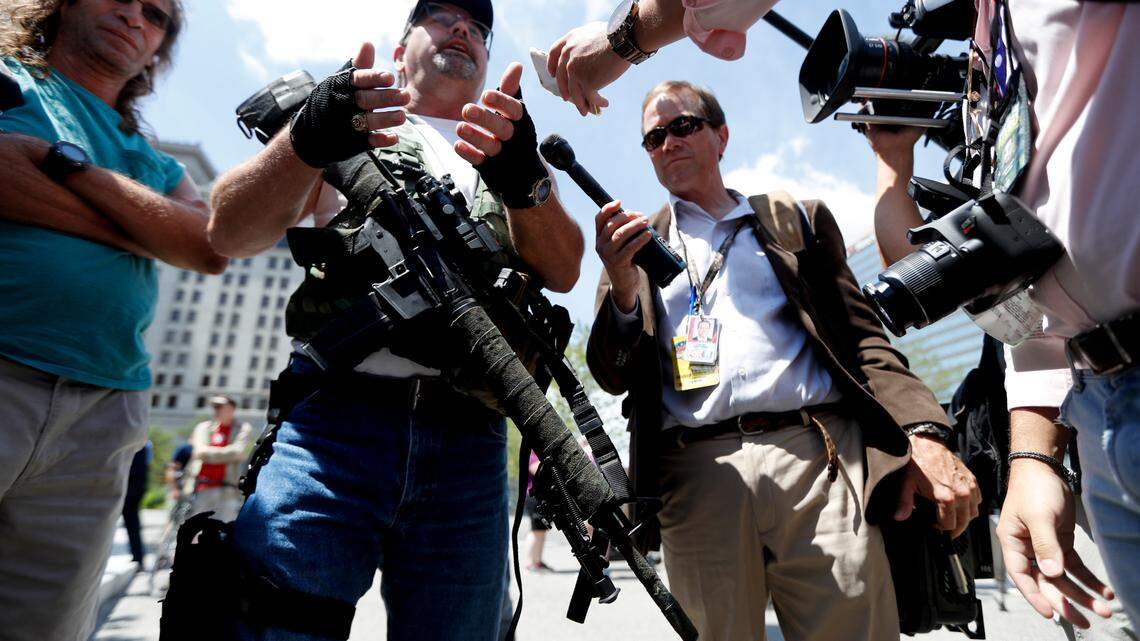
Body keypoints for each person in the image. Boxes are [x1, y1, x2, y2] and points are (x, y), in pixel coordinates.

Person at [207, 1, 583, 638]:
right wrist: (305, 141)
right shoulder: (349, 127)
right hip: (334, 428)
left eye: (478, 26)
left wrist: (527, 184)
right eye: (441, 15)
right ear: (401, 41)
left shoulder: (503, 148)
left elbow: (567, 269)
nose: (462, 28)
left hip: (472, 439)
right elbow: (230, 230)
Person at [586, 79, 980, 641]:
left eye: (683, 126)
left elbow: (864, 339)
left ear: (721, 136)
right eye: (653, 136)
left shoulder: (792, 219)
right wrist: (623, 289)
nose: (668, 141)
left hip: (818, 456)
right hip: (697, 471)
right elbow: (611, 372)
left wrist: (923, 430)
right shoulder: (633, 249)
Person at [0, 1, 225, 639]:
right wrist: (143, 229)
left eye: (154, 14)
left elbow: (207, 245)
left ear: (158, 48)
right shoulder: (8, 81)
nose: (134, 16)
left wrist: (66, 166)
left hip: (102, 414)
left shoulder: (151, 157)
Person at [186, 395, 252, 523]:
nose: (216, 410)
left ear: (232, 409)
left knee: (223, 532)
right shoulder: (203, 427)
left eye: (220, 406)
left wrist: (208, 454)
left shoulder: (243, 428)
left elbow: (238, 451)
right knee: (194, 531)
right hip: (201, 487)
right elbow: (200, 452)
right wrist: (229, 455)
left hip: (228, 489)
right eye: (215, 407)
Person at [123, 440, 154, 565]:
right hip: (135, 487)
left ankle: (138, 556)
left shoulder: (141, 445)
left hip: (131, 488)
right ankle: (138, 556)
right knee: (133, 523)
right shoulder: (146, 445)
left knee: (132, 523)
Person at [523, 450, 552, 572]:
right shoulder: (531, 455)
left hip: (541, 497)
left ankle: (537, 561)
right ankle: (530, 563)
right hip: (534, 497)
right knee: (536, 531)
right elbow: (538, 470)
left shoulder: (538, 454)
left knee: (541, 531)